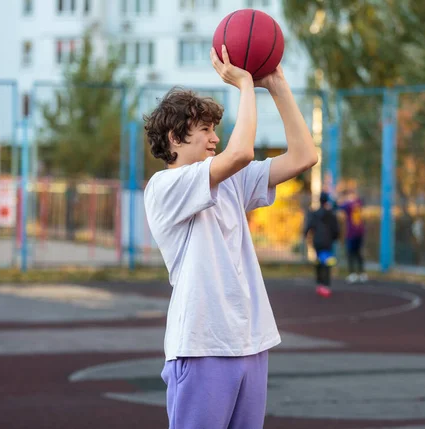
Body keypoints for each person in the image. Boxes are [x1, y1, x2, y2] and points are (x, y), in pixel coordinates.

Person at [143, 44, 318, 429]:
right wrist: (243, 85)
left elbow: (304, 156)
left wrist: (276, 85)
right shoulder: (164, 187)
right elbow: (240, 153)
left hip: (250, 341)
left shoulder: (232, 181)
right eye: (205, 129)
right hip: (202, 345)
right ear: (175, 137)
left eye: (215, 130)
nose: (214, 138)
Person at [303, 191, 340, 297]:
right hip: (327, 241)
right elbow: (335, 229)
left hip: (317, 241)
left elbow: (309, 226)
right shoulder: (331, 214)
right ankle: (326, 285)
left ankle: (319, 283)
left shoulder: (315, 213)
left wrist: (306, 234)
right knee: (327, 263)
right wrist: (335, 238)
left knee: (319, 261)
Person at [337, 185, 368, 283]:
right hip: (360, 231)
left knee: (351, 253)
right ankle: (362, 274)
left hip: (352, 233)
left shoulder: (349, 204)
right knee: (358, 253)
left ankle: (353, 274)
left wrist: (339, 196)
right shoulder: (358, 202)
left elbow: (339, 206)